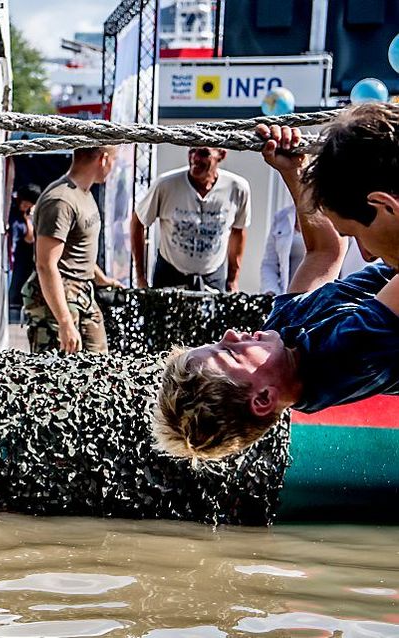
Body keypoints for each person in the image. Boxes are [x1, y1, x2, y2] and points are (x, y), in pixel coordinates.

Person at [154, 109, 399, 462]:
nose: (231, 335)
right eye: (228, 353)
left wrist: (293, 172)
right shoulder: (347, 358)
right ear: (264, 398)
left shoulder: (281, 333)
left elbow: (324, 251)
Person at [21, 146, 121, 354]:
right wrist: (65, 322)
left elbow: (77, 248)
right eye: (113, 160)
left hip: (82, 293)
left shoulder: (82, 193)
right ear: (103, 159)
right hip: (59, 297)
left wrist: (101, 279)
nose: (114, 166)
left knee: (99, 369)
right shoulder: (60, 200)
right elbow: (45, 264)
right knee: (56, 375)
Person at [131, 147, 251, 292]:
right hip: (171, 272)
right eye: (192, 151)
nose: (195, 158)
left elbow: (238, 231)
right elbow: (138, 222)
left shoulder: (237, 188)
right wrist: (140, 277)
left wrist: (233, 279)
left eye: (203, 153)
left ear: (221, 155)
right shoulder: (166, 185)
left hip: (213, 275)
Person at [8, 184, 41, 319]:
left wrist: (28, 218)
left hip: (12, 256)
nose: (26, 207)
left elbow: (30, 238)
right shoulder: (10, 206)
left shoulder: (24, 217)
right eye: (26, 203)